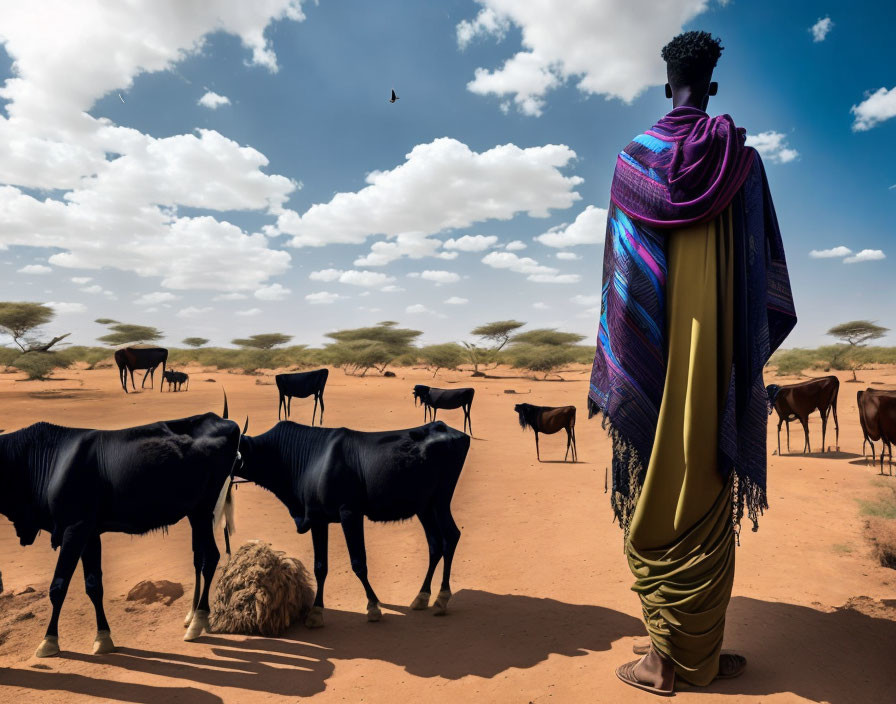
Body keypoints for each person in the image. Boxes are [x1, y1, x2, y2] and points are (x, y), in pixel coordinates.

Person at [587, 31, 796, 695]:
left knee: (654, 495)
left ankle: (668, 661)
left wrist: (626, 368)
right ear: (711, 86)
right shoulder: (744, 163)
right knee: (709, 488)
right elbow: (765, 278)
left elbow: (623, 291)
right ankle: (700, 653)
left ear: (665, 83)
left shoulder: (630, 164)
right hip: (718, 376)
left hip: (654, 373)